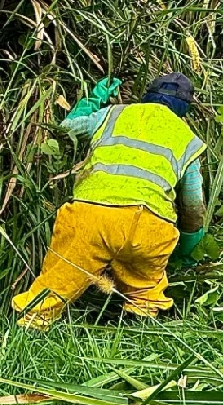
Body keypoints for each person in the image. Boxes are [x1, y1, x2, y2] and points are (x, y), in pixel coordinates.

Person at [12, 72, 208, 331]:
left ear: (146, 96)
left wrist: (94, 99)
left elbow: (68, 128)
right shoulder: (188, 139)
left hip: (91, 217)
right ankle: (138, 337)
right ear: (185, 109)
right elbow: (193, 206)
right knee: (146, 291)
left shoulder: (113, 114)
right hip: (149, 227)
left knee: (55, 286)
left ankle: (30, 330)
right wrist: (189, 246)